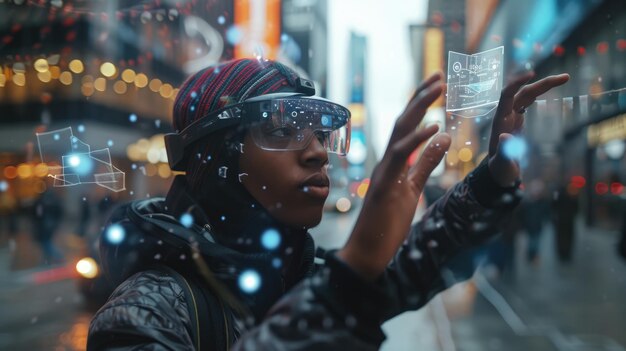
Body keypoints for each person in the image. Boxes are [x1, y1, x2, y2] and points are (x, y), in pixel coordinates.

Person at [87, 58, 568, 350]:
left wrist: (492, 180)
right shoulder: (145, 314)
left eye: (320, 133)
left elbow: (414, 266)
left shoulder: (298, 271)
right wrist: (350, 277)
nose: (317, 150)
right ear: (215, 159)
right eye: (282, 130)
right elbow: (355, 288)